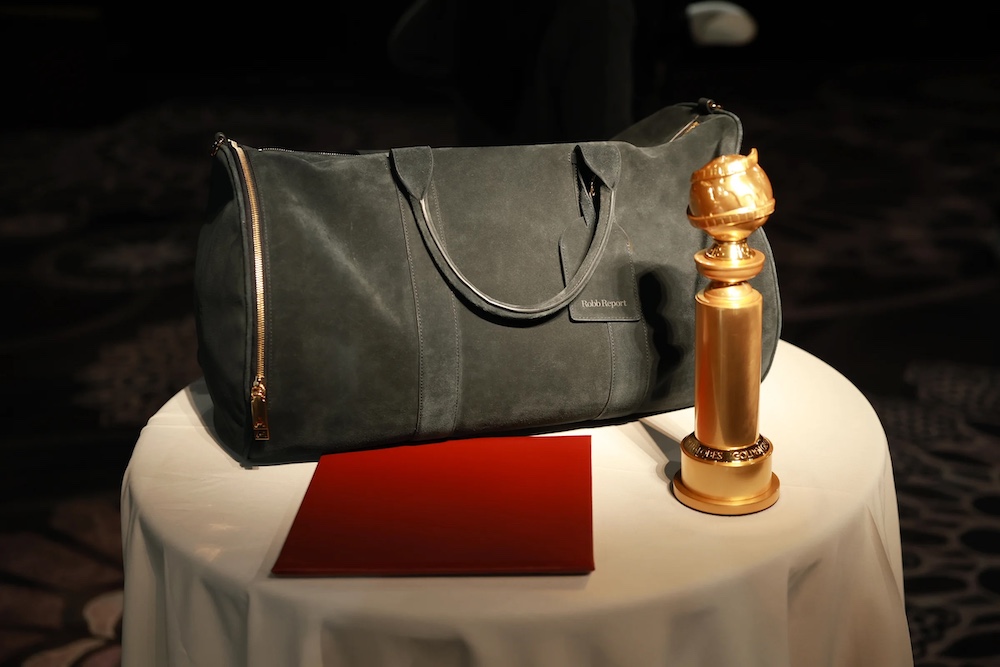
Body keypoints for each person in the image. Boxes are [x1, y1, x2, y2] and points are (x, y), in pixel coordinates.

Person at [387, 0, 758, 144]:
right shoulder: (601, 11)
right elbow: (606, 141)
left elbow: (409, 48)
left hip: (476, 176)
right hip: (558, 200)